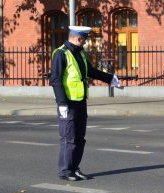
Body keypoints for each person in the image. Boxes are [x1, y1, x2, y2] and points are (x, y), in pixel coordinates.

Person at [50, 26, 121, 181]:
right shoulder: (60, 54)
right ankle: (65, 170)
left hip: (80, 101)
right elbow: (55, 80)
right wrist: (61, 103)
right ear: (78, 38)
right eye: (85, 39)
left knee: (80, 138)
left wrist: (110, 79)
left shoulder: (79, 53)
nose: (85, 43)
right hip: (68, 103)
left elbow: (91, 71)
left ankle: (74, 168)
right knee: (69, 137)